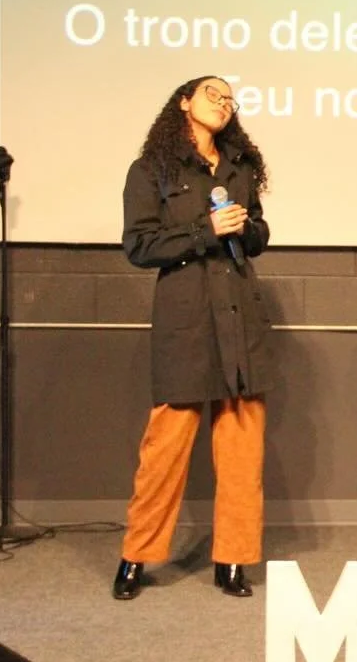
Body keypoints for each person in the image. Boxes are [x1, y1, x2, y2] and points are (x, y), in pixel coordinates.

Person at [111, 75, 275, 600]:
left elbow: (260, 236)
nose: (224, 103)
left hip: (239, 318)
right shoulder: (151, 169)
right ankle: (136, 557)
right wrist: (207, 231)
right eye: (212, 93)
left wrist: (245, 228)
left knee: (242, 452)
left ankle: (233, 561)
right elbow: (139, 245)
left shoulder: (240, 167)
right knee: (164, 450)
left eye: (230, 98)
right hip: (186, 316)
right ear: (184, 102)